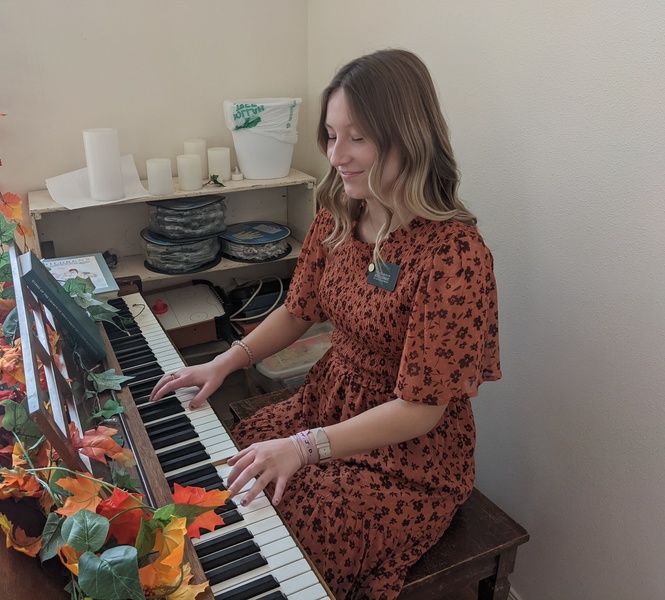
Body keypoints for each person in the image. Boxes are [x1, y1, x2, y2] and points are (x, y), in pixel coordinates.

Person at [150, 48, 501, 599]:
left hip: (410, 456)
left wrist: (305, 447)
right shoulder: (340, 215)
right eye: (331, 136)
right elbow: (297, 309)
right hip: (328, 404)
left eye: (357, 137)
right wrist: (223, 361)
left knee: (303, 522)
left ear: (409, 136)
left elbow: (422, 407)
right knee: (238, 463)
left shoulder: (454, 255)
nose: (338, 155)